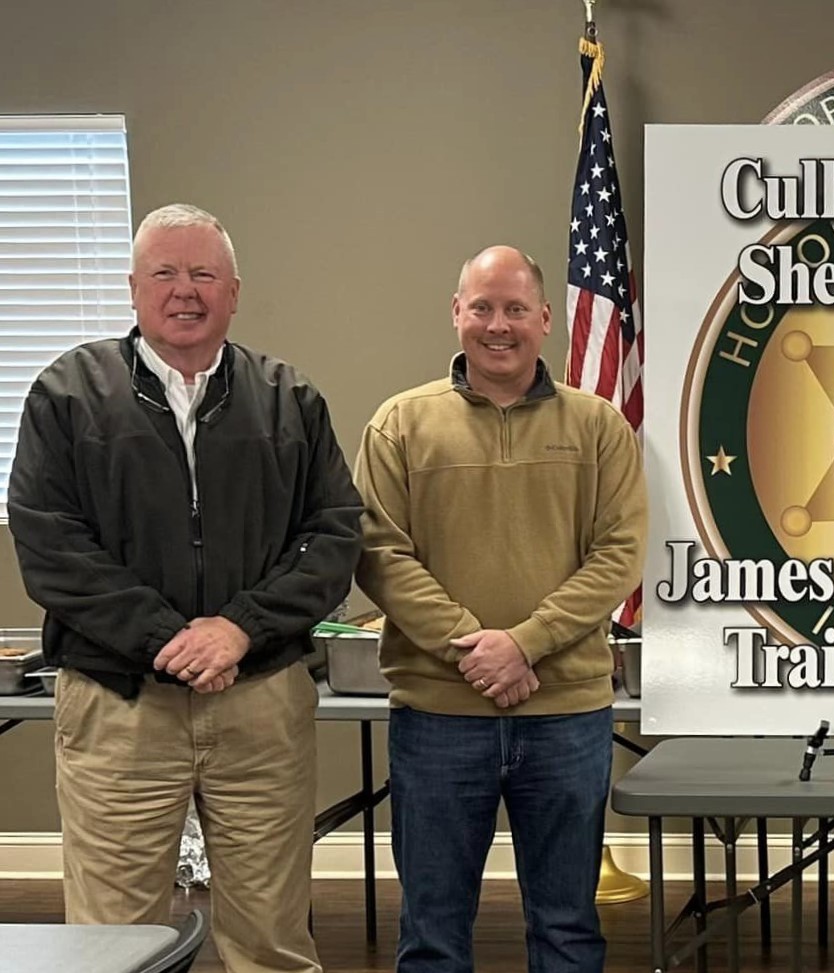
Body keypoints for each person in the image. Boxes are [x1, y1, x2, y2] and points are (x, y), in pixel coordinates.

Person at [8, 203, 361, 973]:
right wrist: (165, 636)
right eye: (164, 272)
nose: (184, 290)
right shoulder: (67, 394)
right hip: (118, 704)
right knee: (109, 945)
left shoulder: (288, 399)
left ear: (234, 291)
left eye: (203, 273)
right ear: (133, 288)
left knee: (271, 941)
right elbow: (51, 544)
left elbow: (333, 535)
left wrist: (238, 628)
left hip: (260, 699)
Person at [354, 245, 646, 972]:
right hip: (439, 717)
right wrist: (474, 647)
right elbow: (380, 554)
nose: (498, 325)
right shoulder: (400, 424)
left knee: (568, 929)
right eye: (481, 307)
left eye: (515, 308)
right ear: (456, 313)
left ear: (545, 319)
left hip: (566, 716)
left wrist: (524, 644)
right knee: (432, 933)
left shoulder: (599, 424)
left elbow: (618, 554)